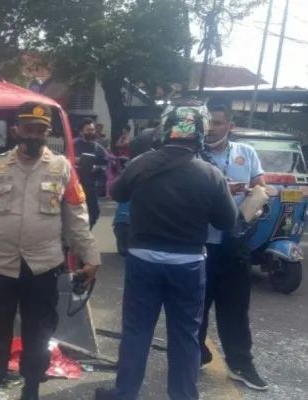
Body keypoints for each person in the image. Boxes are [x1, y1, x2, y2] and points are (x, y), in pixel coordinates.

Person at [0, 102, 101, 400]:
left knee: (39, 333)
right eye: (28, 129)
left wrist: (91, 257)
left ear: (48, 133)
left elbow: (77, 218)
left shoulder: (62, 168)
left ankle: (32, 388)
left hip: (44, 267)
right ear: (15, 131)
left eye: (40, 130)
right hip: (0, 266)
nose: (33, 135)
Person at [94, 105, 238, 400]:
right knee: (185, 335)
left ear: (165, 129)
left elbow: (117, 193)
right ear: (199, 133)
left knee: (136, 331)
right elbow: (227, 222)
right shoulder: (210, 173)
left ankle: (124, 394)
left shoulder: (142, 163)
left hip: (143, 260)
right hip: (188, 264)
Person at [198, 100, 268, 390]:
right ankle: (193, 354)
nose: (211, 129)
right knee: (195, 308)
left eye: (217, 123)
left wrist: (259, 198)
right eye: (208, 123)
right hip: (199, 244)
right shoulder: (192, 154)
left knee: (236, 309)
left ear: (230, 125)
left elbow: (261, 184)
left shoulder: (246, 153)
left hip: (235, 244)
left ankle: (240, 363)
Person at [73, 118, 109, 229]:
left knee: (94, 213)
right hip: (75, 185)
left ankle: (87, 231)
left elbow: (105, 164)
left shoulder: (98, 148)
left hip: (91, 186)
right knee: (74, 214)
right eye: (88, 130)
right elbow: (65, 161)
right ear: (81, 131)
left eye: (92, 130)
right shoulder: (73, 145)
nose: (91, 132)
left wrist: (97, 167)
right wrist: (75, 160)